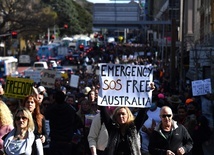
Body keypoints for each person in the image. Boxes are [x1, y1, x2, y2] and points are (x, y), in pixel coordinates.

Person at [45, 90, 82, 155]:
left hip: (55, 140)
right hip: (66, 141)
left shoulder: (51, 109)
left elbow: (46, 117)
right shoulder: (70, 109)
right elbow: (79, 123)